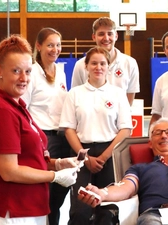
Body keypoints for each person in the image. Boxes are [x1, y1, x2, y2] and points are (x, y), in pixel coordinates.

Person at [0, 34, 79, 225]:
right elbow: (9, 171)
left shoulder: (16, 106)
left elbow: (27, 158)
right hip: (12, 208)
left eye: (28, 71)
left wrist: (57, 164)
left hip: (27, 205)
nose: (24, 78)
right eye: (16, 71)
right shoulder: (2, 111)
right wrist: (55, 176)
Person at [77, 118, 168, 225]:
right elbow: (125, 188)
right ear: (150, 143)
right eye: (158, 133)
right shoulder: (140, 168)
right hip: (155, 216)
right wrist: (102, 193)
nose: (164, 136)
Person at [60, 46, 133, 225]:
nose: (98, 67)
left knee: (107, 209)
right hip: (81, 154)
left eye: (102, 63)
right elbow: (69, 129)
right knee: (80, 209)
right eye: (93, 63)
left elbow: (125, 129)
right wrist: (86, 159)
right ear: (86, 66)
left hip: (109, 153)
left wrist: (103, 156)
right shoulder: (75, 94)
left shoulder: (117, 94)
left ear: (108, 67)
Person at [21, 27, 72, 225]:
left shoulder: (60, 72)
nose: (55, 49)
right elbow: (23, 109)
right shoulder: (31, 73)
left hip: (63, 136)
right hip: (43, 138)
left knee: (61, 189)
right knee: (45, 191)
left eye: (58, 45)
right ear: (39, 46)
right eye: (50, 45)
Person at [71, 17, 140, 106]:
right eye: (101, 34)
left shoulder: (130, 63)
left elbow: (129, 98)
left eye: (110, 34)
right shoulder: (81, 65)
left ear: (116, 36)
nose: (106, 38)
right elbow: (76, 96)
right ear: (94, 37)